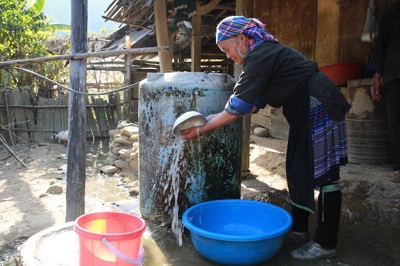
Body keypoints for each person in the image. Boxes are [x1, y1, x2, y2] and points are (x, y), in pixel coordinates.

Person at [179, 16, 351, 260]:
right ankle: (300, 231)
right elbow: (249, 105)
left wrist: (200, 130)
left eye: (226, 49)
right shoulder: (263, 56)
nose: (228, 56)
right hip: (305, 110)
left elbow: (237, 106)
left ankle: (325, 243)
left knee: (326, 175)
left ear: (242, 38)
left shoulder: (261, 55)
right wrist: (209, 118)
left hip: (318, 105)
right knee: (298, 168)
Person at [368, 1, 400, 182]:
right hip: (394, 73)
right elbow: (381, 46)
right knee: (395, 121)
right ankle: (399, 167)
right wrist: (377, 76)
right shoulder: (391, 13)